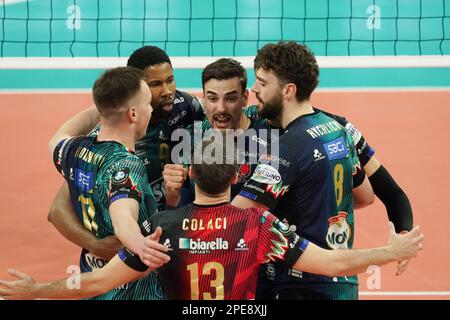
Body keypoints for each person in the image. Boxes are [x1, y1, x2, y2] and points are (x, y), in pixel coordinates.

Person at [0, 137, 423, 300]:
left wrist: (37, 290)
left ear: (190, 175)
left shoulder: (161, 229)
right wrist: (391, 250)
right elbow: (332, 264)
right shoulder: (259, 226)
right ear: (238, 177)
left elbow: (94, 282)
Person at [46, 46, 205, 293]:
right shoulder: (117, 155)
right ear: (134, 96)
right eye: (155, 85)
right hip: (135, 264)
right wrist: (107, 245)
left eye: (170, 80)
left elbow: (56, 140)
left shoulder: (187, 107)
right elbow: (59, 211)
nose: (167, 92)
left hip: (163, 243)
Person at [230, 41, 380, 300]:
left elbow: (236, 218)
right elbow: (366, 196)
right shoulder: (338, 131)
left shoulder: (286, 147)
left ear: (288, 90)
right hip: (342, 283)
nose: (254, 89)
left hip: (302, 285)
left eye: (263, 83)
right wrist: (314, 205)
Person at [46, 66, 170, 300]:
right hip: (132, 291)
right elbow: (123, 216)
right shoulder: (126, 165)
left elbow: (56, 139)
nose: (151, 109)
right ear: (133, 114)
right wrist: (139, 245)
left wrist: (104, 108)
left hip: (94, 282)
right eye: (147, 104)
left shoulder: (75, 150)